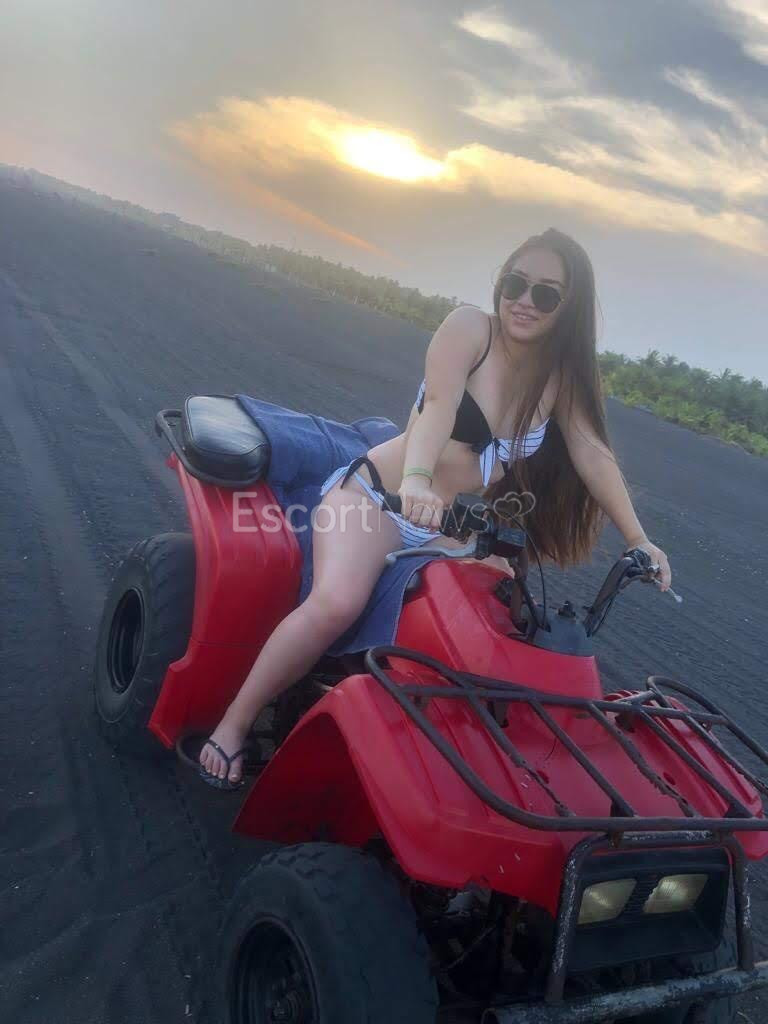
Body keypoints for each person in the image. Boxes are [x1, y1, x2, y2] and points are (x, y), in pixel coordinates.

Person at [198, 228, 672, 788]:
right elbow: (439, 410)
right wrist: (417, 481)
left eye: (546, 294)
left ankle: (473, 758)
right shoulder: (470, 329)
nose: (524, 300)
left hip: (443, 523)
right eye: (515, 284)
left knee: (503, 623)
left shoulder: (560, 377)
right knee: (334, 603)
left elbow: (591, 451)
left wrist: (639, 540)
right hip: (378, 498)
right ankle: (233, 725)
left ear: (568, 307)